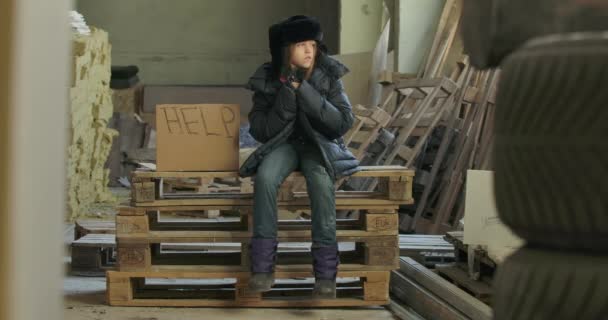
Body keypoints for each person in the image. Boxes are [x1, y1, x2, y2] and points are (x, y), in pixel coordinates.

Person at [238, 15, 361, 299]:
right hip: (283, 144)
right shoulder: (267, 79)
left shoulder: (327, 75)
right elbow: (260, 129)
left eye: (313, 45)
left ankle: (326, 275)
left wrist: (303, 91)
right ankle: (263, 269)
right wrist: (286, 94)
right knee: (266, 177)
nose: (309, 51)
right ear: (286, 49)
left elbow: (342, 122)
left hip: (318, 145)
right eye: (302, 44)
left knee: (320, 182)